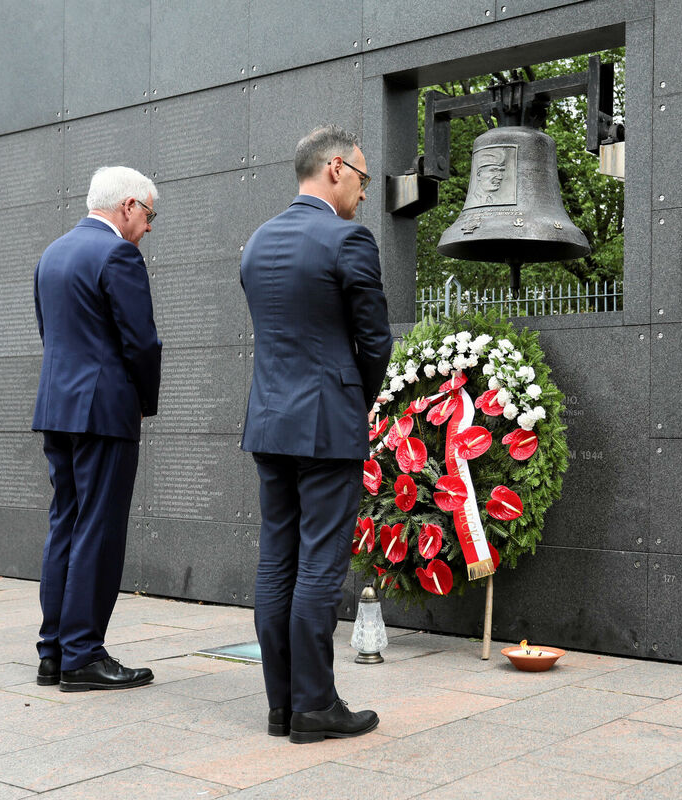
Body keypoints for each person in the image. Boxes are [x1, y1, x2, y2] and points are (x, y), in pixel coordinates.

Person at [240, 125, 392, 744]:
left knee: (277, 561)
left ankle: (281, 705)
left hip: (269, 422)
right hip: (327, 424)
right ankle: (314, 705)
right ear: (335, 168)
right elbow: (375, 342)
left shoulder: (257, 242)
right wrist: (353, 399)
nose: (364, 191)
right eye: (362, 177)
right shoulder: (347, 239)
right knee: (321, 565)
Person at [31, 166, 162, 692]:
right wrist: (142, 403)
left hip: (58, 408)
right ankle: (83, 654)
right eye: (148, 214)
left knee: (65, 521)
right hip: (104, 411)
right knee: (98, 528)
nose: (148, 227)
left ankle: (53, 651)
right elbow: (142, 342)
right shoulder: (118, 255)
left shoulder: (52, 254)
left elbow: (51, 333)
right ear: (128, 206)